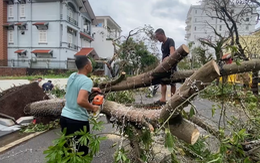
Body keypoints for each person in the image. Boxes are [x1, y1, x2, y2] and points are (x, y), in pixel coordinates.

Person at [60, 55, 101, 156]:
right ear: (87, 66)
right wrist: (93, 107)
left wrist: (92, 89)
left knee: (67, 149)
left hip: (64, 117)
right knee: (82, 151)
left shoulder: (72, 76)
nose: (92, 66)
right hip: (77, 120)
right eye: (91, 64)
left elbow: (77, 87)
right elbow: (81, 101)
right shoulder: (87, 81)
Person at [154, 28, 176, 105]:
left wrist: (168, 57)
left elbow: (172, 52)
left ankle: (172, 100)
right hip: (164, 66)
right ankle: (163, 98)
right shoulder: (162, 46)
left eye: (157, 36)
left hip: (171, 65)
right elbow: (163, 57)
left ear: (162, 34)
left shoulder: (170, 41)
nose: (157, 39)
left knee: (173, 82)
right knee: (163, 81)